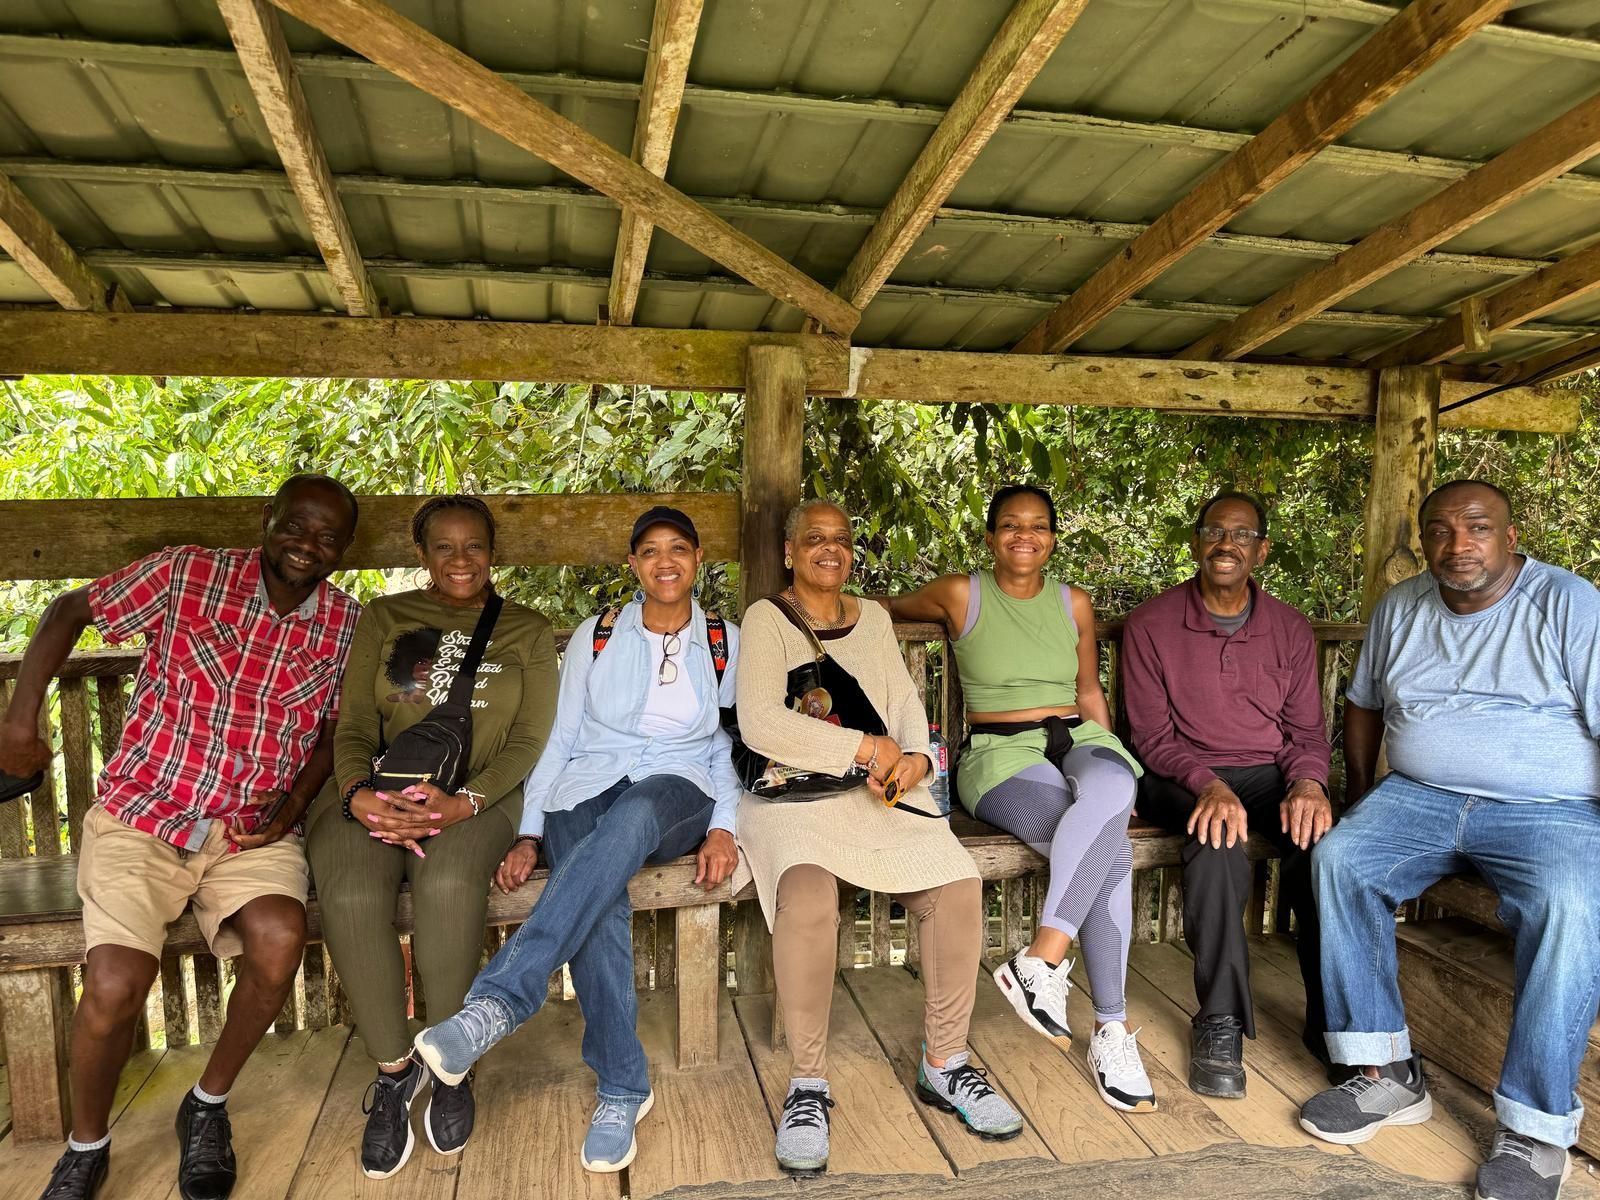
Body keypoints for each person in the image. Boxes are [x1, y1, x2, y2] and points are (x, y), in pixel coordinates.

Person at [0, 475, 361, 1200]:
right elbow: (70, 609)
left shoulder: (345, 623)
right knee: (114, 985)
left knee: (280, 940)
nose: (308, 546)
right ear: (267, 519)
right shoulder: (187, 573)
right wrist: (17, 723)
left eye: (328, 537)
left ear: (344, 549)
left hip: (249, 830)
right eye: (296, 526)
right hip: (144, 816)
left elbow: (332, 732)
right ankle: (86, 1145)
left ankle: (207, 1104)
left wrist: (290, 809)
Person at [412, 505, 742, 1175]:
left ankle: (498, 1002)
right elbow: (561, 740)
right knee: (599, 899)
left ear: (698, 559)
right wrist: (530, 832)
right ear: (633, 564)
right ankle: (623, 1088)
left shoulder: (723, 641)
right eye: (650, 551)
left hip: (675, 790)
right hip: (583, 786)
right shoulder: (599, 634)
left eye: (678, 549)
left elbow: (730, 744)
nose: (665, 562)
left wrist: (725, 826)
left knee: (632, 817)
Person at [1299, 480, 1600, 1200]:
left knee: (1569, 903)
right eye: (1440, 530)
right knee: (1341, 857)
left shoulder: (1569, 602)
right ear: (1423, 541)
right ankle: (1386, 1072)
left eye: (1477, 528)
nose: (1458, 544)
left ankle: (1536, 1128)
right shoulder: (1401, 606)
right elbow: (1363, 703)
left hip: (1549, 808)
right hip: (1418, 795)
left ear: (1510, 535)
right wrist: (1360, 795)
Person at [738, 498, 1023, 1177]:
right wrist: (865, 747)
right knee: (808, 897)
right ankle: (808, 1084)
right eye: (814, 538)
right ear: (789, 551)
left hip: (875, 794)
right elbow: (759, 723)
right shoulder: (765, 619)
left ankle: (945, 1062)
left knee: (957, 884)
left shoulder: (872, 618)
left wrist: (917, 759)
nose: (829, 549)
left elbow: (903, 704)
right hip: (795, 798)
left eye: (841, 539)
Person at [305, 494, 557, 1180]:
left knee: (447, 884)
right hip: (376, 793)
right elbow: (355, 725)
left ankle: (451, 1064)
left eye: (474, 546)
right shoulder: (384, 618)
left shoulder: (527, 630)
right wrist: (359, 797)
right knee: (352, 896)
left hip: (479, 797)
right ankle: (395, 1072)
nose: (460, 559)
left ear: (493, 553)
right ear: (421, 554)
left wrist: (461, 805)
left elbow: (530, 739)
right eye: (443, 546)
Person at [889, 484, 1155, 1114]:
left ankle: (1041, 961)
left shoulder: (1073, 602)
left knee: (1116, 785)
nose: (1024, 536)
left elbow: (1087, 692)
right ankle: (1111, 1027)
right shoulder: (961, 593)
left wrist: (1109, 768)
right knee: (1111, 852)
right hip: (1000, 753)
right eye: (1011, 525)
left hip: (1078, 737)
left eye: (1038, 526)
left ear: (1053, 538)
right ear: (990, 537)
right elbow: (880, 607)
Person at [1121, 489, 1332, 1099]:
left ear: (1260, 551)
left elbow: (1305, 734)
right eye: (1215, 531)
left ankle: (1333, 1017)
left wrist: (1308, 783)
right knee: (1215, 841)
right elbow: (1151, 736)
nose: (1227, 544)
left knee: (1325, 848)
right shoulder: (1151, 624)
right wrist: (1207, 785)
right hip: (1178, 774)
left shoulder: (1289, 628)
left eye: (1242, 535)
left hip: (1266, 774)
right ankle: (1220, 1019)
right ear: (1196, 543)